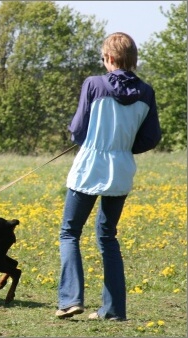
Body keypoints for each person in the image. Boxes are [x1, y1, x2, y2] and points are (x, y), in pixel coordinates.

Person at [55, 32, 161, 321]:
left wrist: (93, 139)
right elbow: (152, 137)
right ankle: (113, 310)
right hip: (121, 169)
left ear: (110, 58)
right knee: (107, 237)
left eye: (104, 58)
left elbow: (78, 130)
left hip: (89, 167)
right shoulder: (147, 92)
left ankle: (70, 300)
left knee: (69, 233)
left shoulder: (93, 84)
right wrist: (123, 147)